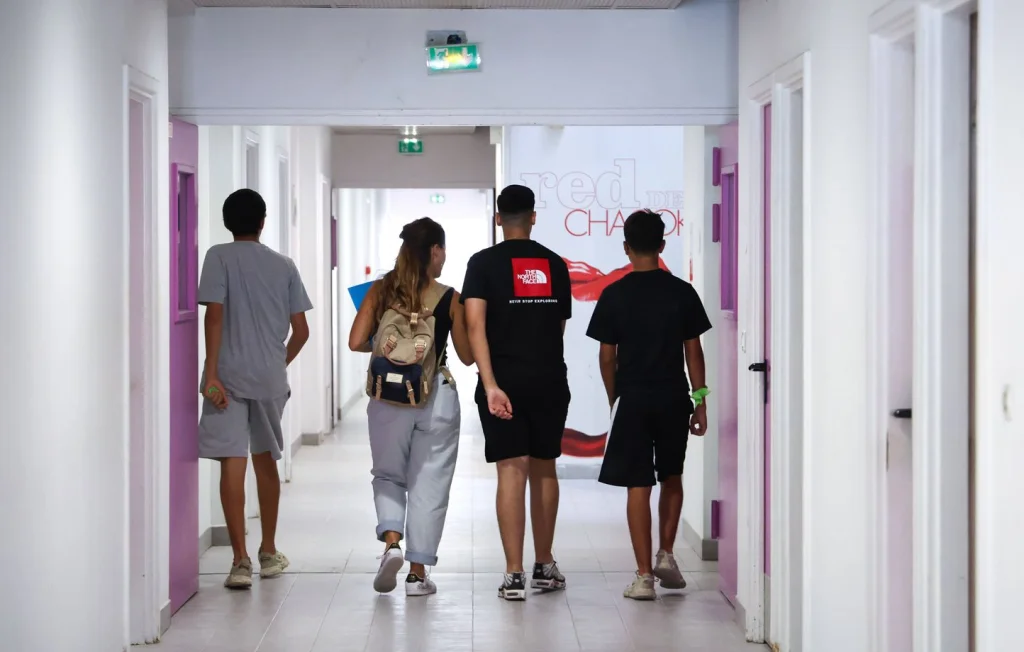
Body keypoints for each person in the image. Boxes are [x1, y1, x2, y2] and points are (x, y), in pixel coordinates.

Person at [584, 209, 712, 601]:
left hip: (633, 399)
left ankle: (643, 577)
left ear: (626, 247)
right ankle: (667, 554)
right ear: (662, 245)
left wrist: (615, 397)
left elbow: (607, 357)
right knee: (672, 476)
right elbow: (694, 352)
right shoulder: (681, 292)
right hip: (673, 397)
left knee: (637, 484)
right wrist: (700, 400)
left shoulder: (614, 294)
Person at [348, 217, 473, 597]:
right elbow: (466, 357)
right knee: (428, 483)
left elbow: (356, 341)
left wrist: (392, 350)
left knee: (387, 474)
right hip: (435, 398)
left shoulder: (381, 290)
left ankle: (391, 543)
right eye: (443, 252)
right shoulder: (450, 296)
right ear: (434, 251)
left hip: (387, 398)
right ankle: (418, 575)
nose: (444, 258)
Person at [460, 184, 572, 601]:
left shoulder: (482, 264)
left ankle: (513, 574)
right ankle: (545, 564)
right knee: (545, 467)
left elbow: (474, 327)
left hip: (502, 382)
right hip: (548, 380)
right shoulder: (554, 264)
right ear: (534, 217)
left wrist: (490, 385)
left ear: (497, 218)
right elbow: (559, 327)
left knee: (511, 469)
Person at [198, 188, 313, 590]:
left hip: (226, 379)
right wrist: (275, 364)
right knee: (265, 460)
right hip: (268, 377)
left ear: (228, 221)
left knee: (233, 460)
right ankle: (268, 551)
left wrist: (211, 373)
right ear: (263, 221)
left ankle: (239, 562)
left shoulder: (217, 257)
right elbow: (301, 332)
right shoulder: (284, 265)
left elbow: (214, 315)